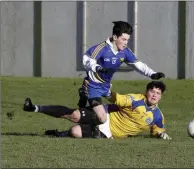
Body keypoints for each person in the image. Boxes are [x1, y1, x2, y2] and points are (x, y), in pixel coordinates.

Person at [79, 21, 165, 126]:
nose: (125, 43)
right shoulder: (102, 48)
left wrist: (152, 74)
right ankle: (85, 102)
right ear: (115, 37)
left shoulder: (124, 52)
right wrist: (98, 68)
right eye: (123, 39)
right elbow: (87, 60)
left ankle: (86, 107)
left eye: (127, 40)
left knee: (119, 107)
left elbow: (137, 64)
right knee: (101, 117)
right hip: (93, 85)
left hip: (106, 86)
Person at [23, 81, 171, 140]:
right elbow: (118, 99)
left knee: (75, 132)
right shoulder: (136, 99)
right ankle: (35, 108)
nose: (154, 95)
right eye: (152, 91)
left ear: (161, 97)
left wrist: (161, 135)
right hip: (104, 114)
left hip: (108, 133)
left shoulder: (158, 116)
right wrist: (106, 91)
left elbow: (157, 130)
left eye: (157, 93)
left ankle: (59, 134)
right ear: (147, 91)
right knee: (74, 115)